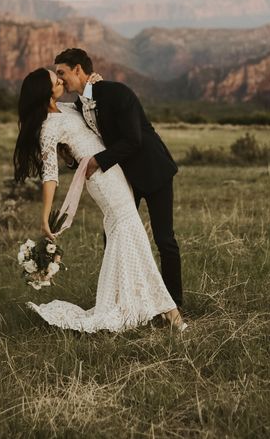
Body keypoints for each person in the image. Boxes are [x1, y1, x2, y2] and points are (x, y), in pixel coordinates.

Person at [13, 67, 186, 333]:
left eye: (59, 75)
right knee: (131, 230)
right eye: (55, 79)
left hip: (114, 170)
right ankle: (169, 311)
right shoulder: (48, 128)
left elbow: (88, 105)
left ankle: (129, 301)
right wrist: (44, 216)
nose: (60, 80)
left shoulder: (67, 109)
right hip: (102, 180)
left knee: (124, 235)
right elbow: (50, 175)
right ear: (44, 91)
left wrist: (93, 83)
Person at [54, 48, 183, 309]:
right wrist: (71, 159)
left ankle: (174, 303)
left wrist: (98, 162)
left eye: (62, 72)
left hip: (153, 170)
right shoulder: (79, 105)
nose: (59, 79)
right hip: (123, 178)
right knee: (114, 234)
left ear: (78, 69)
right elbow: (90, 143)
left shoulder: (116, 93)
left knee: (164, 240)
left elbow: (133, 140)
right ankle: (121, 300)